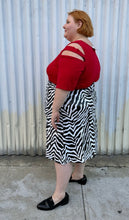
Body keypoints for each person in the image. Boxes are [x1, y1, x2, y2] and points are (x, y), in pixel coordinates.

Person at [37, 9, 100, 211]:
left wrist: (55, 109)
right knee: (80, 138)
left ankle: (59, 195)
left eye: (68, 22)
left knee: (61, 146)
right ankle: (78, 175)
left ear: (79, 24)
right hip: (84, 101)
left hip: (69, 105)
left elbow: (64, 85)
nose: (64, 25)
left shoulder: (74, 49)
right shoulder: (89, 47)